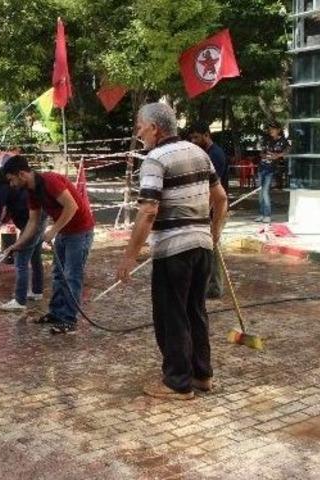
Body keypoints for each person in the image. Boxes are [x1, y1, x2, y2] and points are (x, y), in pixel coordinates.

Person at [116, 102, 228, 400]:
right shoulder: (200, 153)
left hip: (173, 250)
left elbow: (148, 211)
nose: (139, 133)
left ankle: (177, 382)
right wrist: (213, 235)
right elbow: (221, 198)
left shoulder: (155, 159)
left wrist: (129, 255)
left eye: (140, 127)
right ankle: (201, 375)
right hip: (202, 247)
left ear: (154, 127)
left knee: (172, 315)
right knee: (195, 311)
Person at [2, 155, 95, 334]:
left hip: (80, 231)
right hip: (64, 232)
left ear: (21, 174)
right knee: (58, 274)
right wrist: (18, 244)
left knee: (71, 276)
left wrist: (53, 230)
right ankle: (56, 313)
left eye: (11, 179)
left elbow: (72, 206)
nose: (11, 184)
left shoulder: (50, 180)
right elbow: (33, 222)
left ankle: (69, 321)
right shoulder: (32, 192)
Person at [0, 153, 46, 311]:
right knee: (35, 256)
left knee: (20, 259)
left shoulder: (0, 188)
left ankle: (19, 301)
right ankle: (37, 291)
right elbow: (3, 215)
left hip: (31, 221)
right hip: (35, 217)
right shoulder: (2, 183)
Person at [189, 121, 228, 299]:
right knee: (207, 249)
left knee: (214, 247)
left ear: (206, 135)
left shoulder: (216, 155)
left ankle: (215, 286)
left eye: (197, 137)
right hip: (207, 208)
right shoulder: (206, 154)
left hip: (215, 209)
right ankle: (207, 285)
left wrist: (206, 212)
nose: (194, 140)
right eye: (192, 138)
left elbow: (214, 189)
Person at [258, 121, 290, 223]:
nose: (271, 131)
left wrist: (278, 155)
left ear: (278, 130)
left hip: (270, 169)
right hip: (262, 167)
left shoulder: (283, 141)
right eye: (270, 129)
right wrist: (264, 155)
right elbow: (261, 152)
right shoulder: (267, 140)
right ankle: (262, 214)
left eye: (273, 129)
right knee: (260, 192)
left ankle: (267, 215)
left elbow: (289, 149)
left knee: (265, 191)